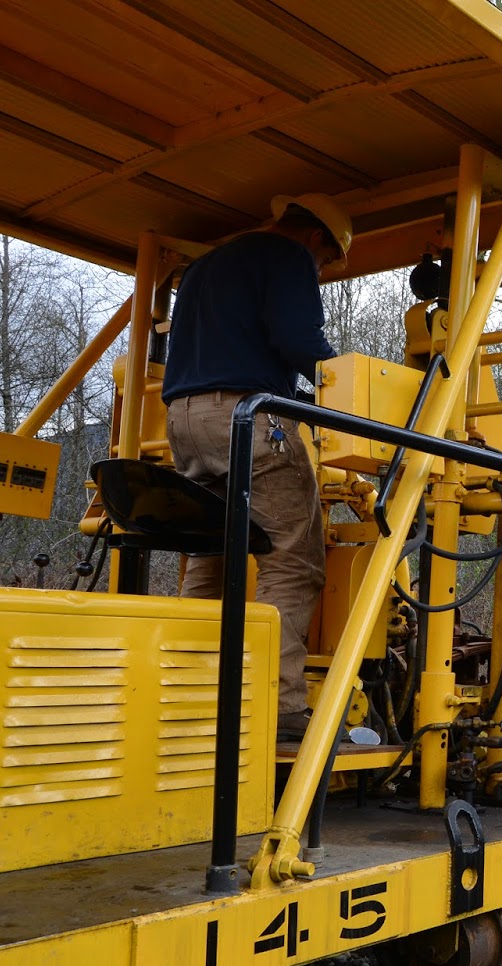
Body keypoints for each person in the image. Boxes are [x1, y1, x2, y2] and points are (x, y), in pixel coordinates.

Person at [161, 193, 352, 740]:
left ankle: (188, 692)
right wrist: (344, 385)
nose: (320, 270)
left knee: (211, 557)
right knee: (294, 561)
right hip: (246, 415)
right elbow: (297, 340)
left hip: (183, 419)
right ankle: (280, 704)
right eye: (327, 262)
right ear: (316, 238)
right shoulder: (287, 257)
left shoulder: (203, 269)